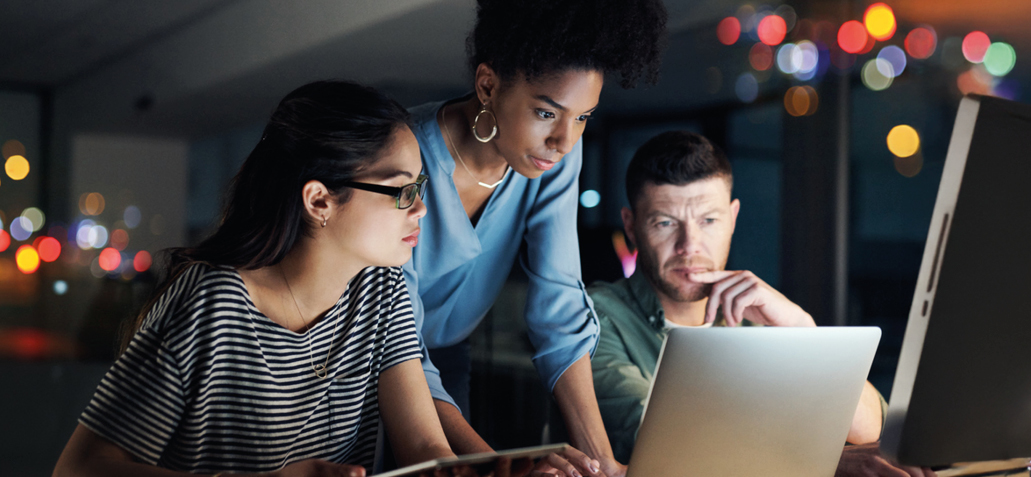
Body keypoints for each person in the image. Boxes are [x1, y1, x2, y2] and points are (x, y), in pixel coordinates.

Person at [52, 81, 527, 477]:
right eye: (403, 190)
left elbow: (425, 449)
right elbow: (80, 467)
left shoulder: (383, 291)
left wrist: (511, 466)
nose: (421, 208)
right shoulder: (210, 302)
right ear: (319, 200)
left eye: (420, 188)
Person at [403, 1, 667, 475]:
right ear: (488, 85)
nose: (564, 141)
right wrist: (498, 466)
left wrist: (602, 463)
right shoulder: (404, 155)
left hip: (448, 356)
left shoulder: (553, 158)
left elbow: (560, 311)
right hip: (367, 359)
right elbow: (394, 339)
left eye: (584, 118)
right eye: (547, 112)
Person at [589, 130, 935, 477]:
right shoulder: (596, 318)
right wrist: (823, 463)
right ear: (631, 227)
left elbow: (874, 433)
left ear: (733, 218)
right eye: (665, 223)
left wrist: (800, 327)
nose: (689, 245)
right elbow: (661, 447)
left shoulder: (755, 317)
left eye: (709, 221)